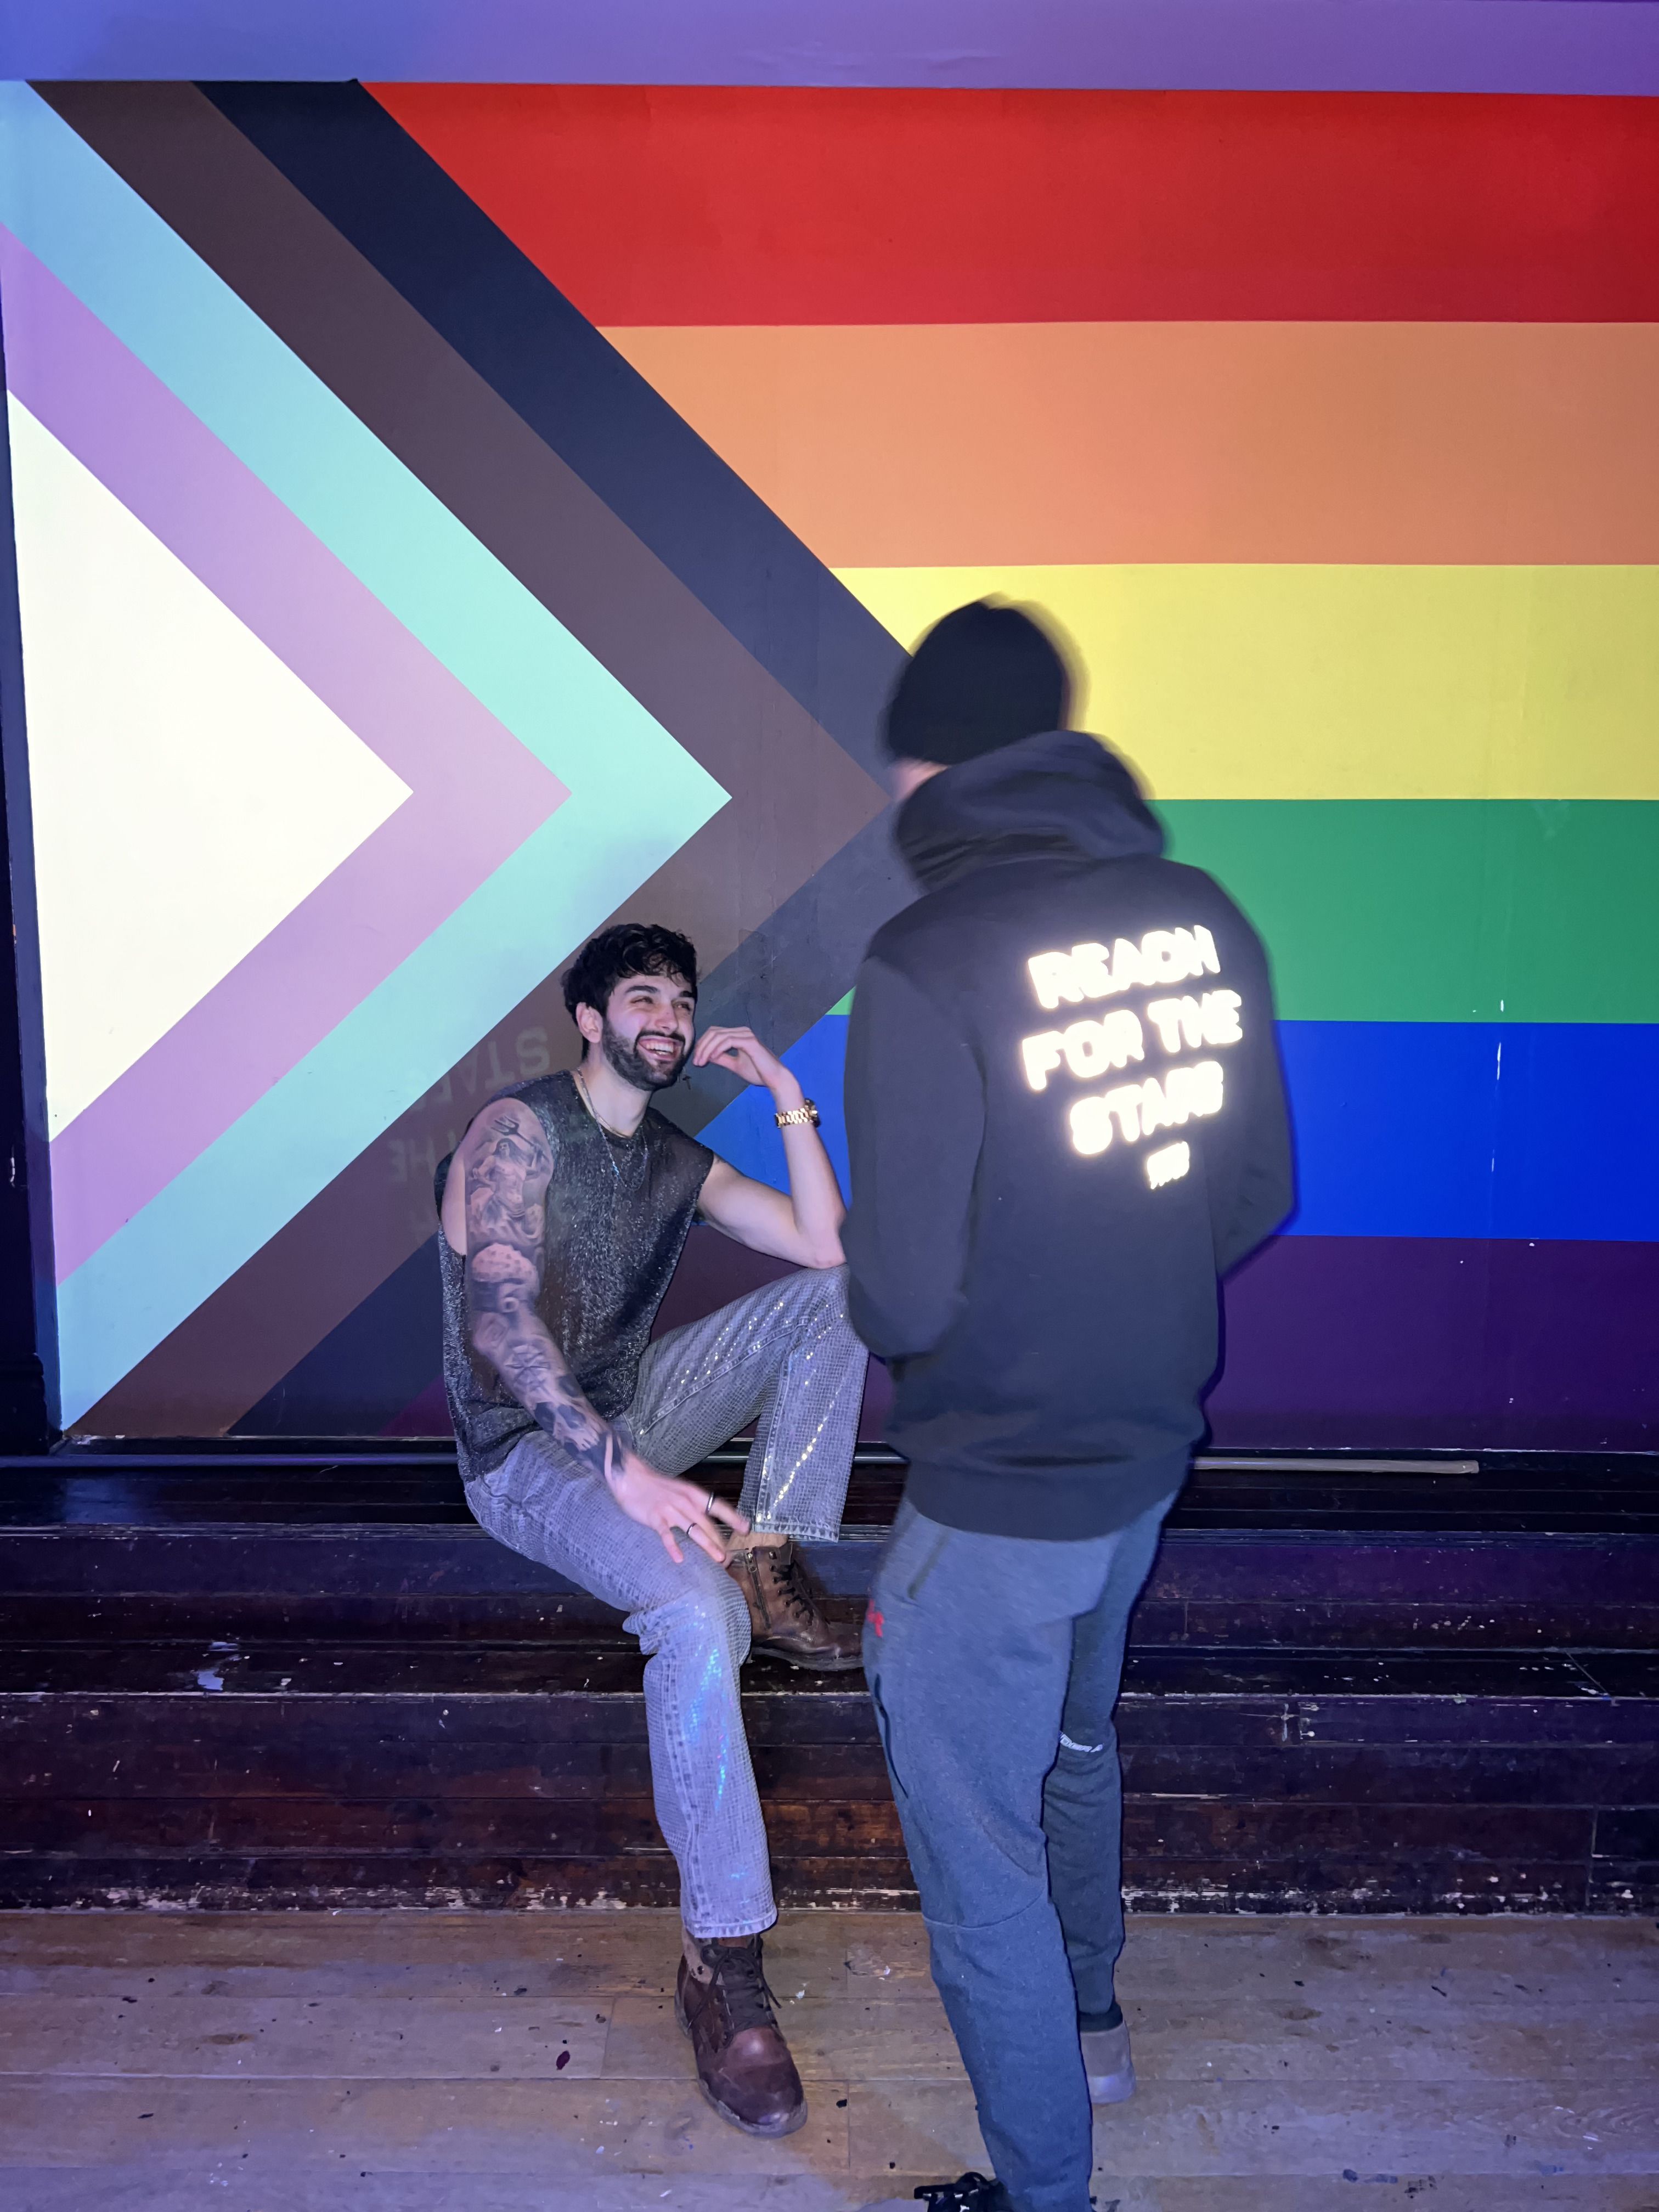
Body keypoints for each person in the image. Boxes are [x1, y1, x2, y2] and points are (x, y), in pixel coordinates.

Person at [843, 602, 1294, 2212]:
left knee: (978, 1855)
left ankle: (1047, 2196)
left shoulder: (926, 957)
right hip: (1145, 1454)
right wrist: (1116, 1284)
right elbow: (1255, 1191)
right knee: (1074, 1744)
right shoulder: (1197, 913)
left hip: (997, 1487)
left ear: (932, 765)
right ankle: (1095, 2026)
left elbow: (900, 1302)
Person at [436, 921, 868, 2137]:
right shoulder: (518, 1133)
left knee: (844, 1293)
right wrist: (621, 1470)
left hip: (631, 1414)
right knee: (692, 1609)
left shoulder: (675, 1159)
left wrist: (786, 1093)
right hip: (526, 1454)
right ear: (591, 1020)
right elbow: (498, 1327)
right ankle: (719, 1959)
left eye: (680, 1001)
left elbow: (826, 1247)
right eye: (643, 999)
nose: (668, 1020)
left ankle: (774, 1560)